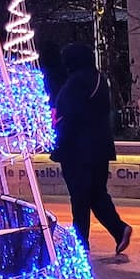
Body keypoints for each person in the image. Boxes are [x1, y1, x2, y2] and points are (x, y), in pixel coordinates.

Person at [52, 40, 132, 255]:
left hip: (78, 150)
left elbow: (68, 117)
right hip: (100, 148)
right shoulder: (99, 79)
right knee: (97, 194)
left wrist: (58, 142)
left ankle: (80, 244)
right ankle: (119, 229)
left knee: (80, 198)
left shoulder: (75, 82)